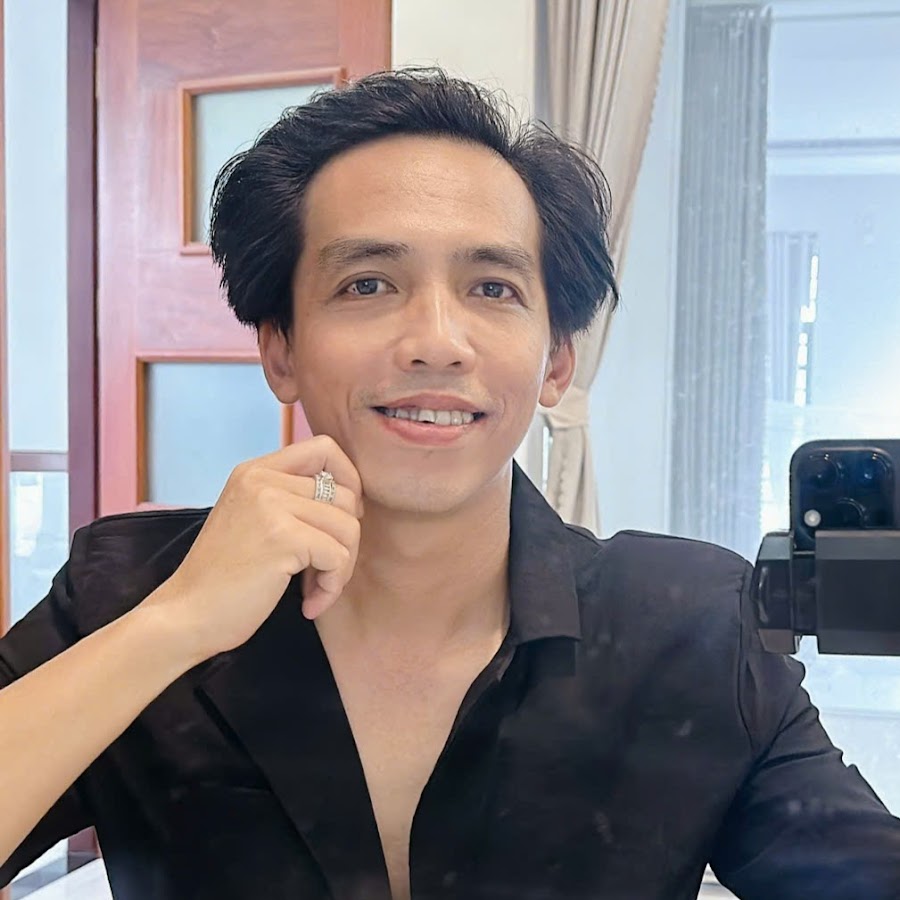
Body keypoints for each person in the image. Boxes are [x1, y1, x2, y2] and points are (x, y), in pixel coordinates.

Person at [1, 68, 898, 900]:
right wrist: (171, 627)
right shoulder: (127, 592)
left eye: (493, 289)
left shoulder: (693, 627)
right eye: (367, 284)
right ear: (280, 350)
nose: (436, 341)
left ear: (556, 361)